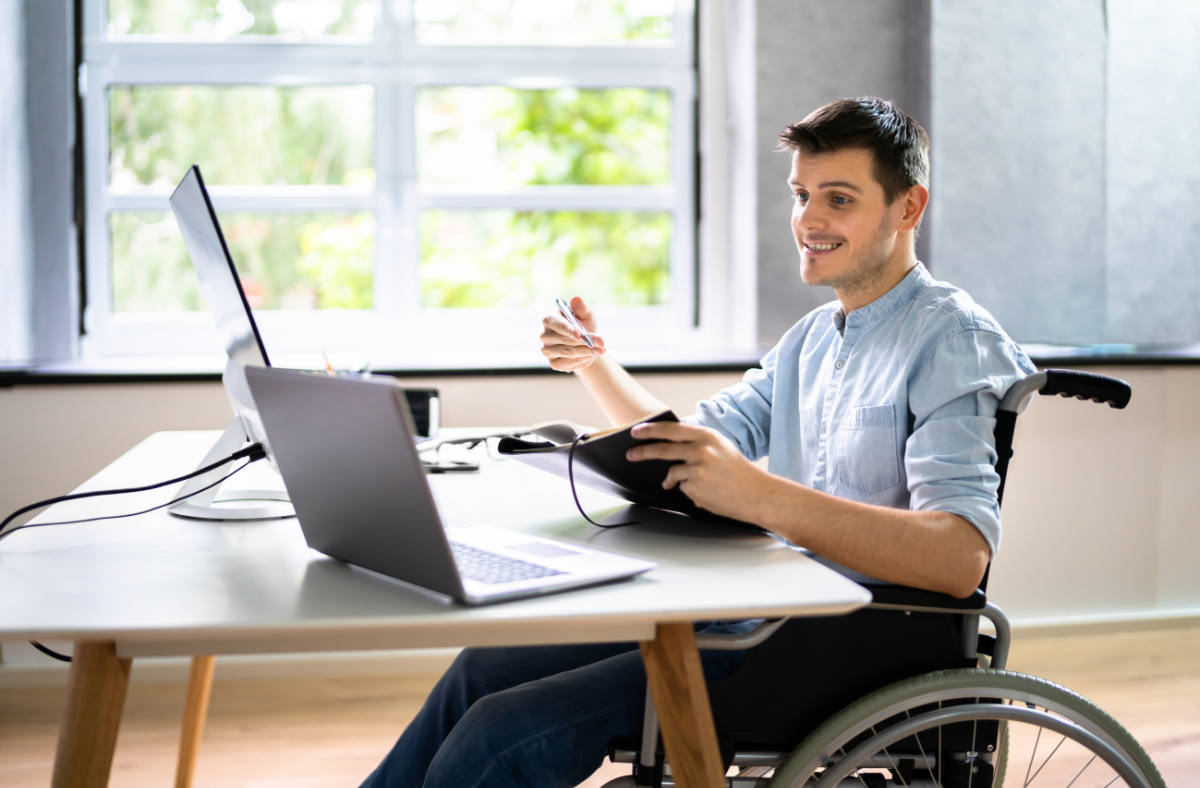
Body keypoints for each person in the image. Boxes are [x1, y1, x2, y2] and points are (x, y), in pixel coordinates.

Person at [359, 97, 1034, 788]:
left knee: (501, 734)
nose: (808, 219)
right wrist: (593, 362)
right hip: (754, 615)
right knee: (480, 669)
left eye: (839, 198)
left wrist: (762, 497)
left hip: (836, 648)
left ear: (908, 207)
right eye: (801, 195)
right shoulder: (809, 340)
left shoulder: (952, 339)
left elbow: (958, 558)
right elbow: (691, 444)